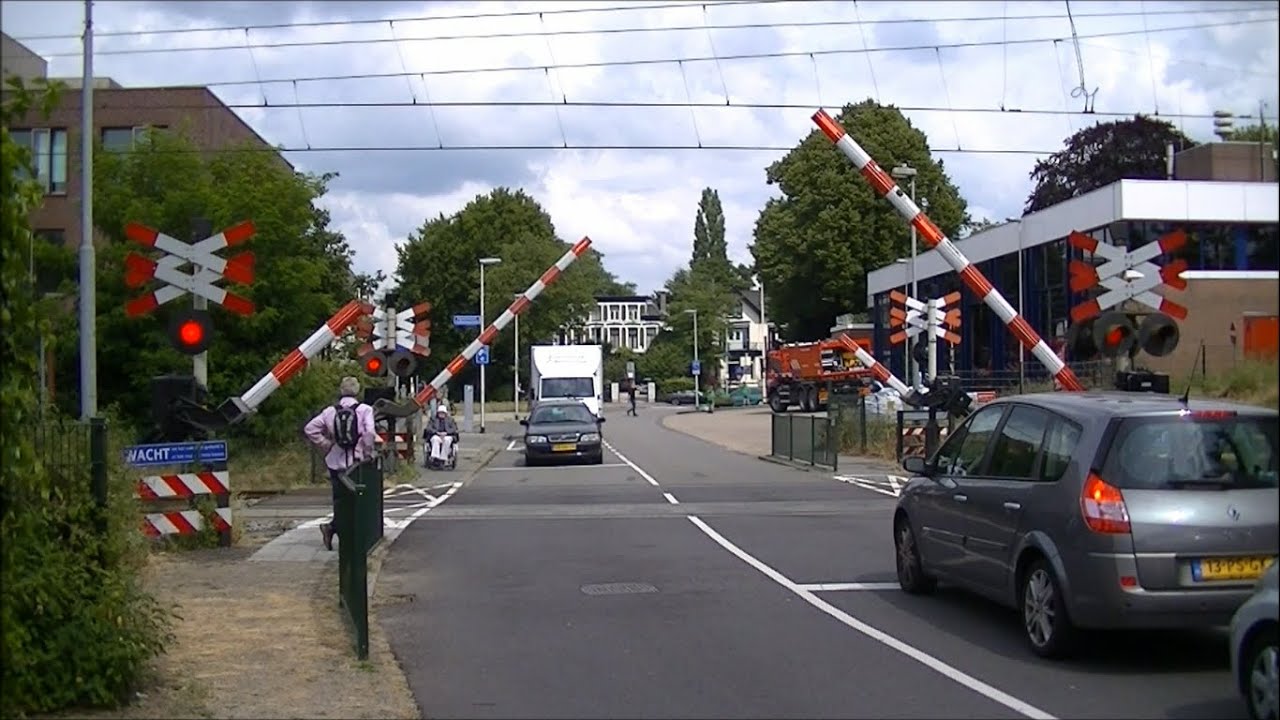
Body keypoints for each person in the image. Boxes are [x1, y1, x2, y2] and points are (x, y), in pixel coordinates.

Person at [303, 376, 376, 551]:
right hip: (357, 462)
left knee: (340, 499)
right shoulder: (364, 409)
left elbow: (310, 429)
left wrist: (326, 443)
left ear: (341, 391)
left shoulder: (329, 411)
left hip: (336, 461)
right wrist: (367, 452)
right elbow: (369, 434)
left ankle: (336, 530)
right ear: (357, 391)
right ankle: (353, 539)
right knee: (358, 499)